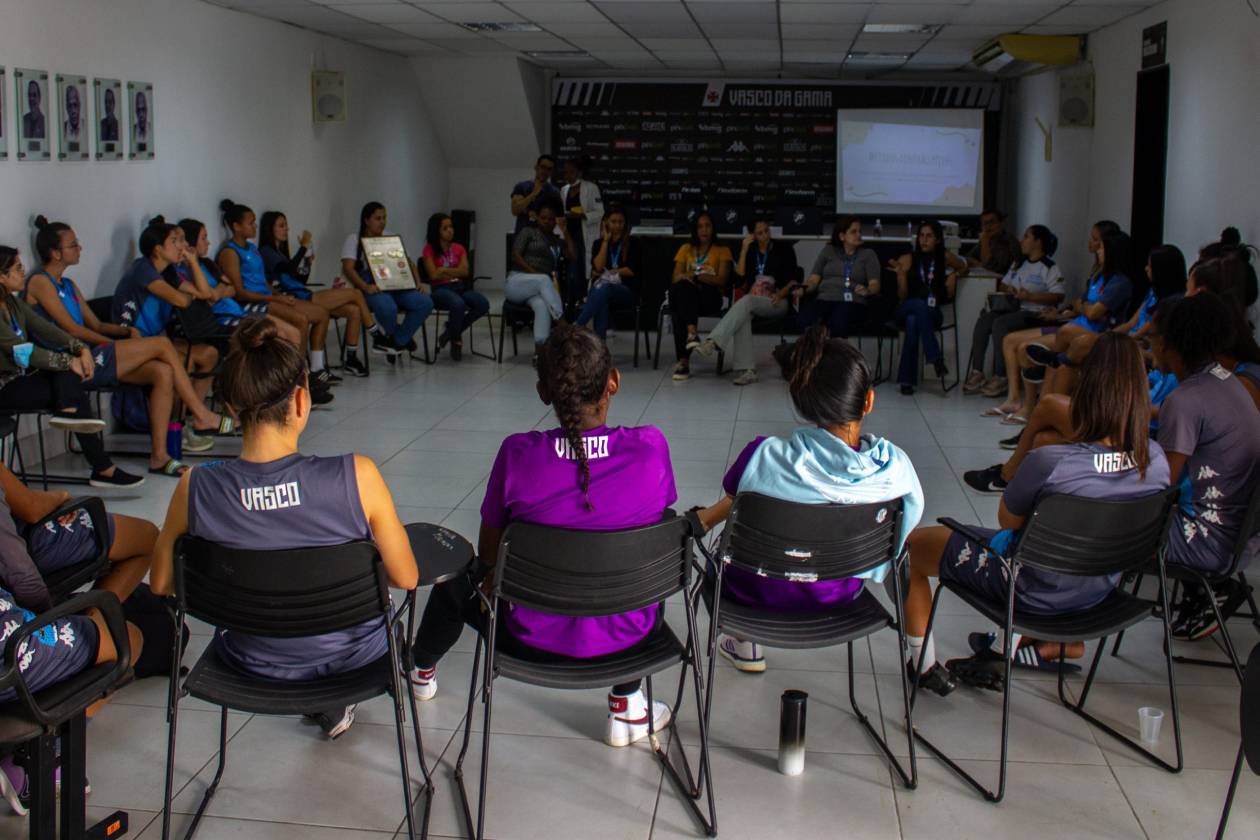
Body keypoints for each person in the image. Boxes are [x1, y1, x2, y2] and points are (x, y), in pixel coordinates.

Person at [150, 318, 418, 740]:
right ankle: (329, 698)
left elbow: (162, 582)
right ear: (300, 402)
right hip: (353, 661)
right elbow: (407, 576)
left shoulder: (194, 486)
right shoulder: (357, 475)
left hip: (249, 660)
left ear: (232, 408)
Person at [410, 324, 675, 748]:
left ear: (543, 392)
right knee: (629, 565)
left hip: (526, 638)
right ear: (614, 382)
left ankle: (420, 671)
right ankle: (627, 702)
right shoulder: (650, 448)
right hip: (629, 638)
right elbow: (657, 521)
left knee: (456, 579)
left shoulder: (517, 454)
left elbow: (490, 553)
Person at [906, 332, 1170, 685]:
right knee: (1037, 552)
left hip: (1034, 593)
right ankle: (1000, 653)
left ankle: (923, 669)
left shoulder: (1050, 461)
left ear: (1083, 388)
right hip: (1099, 592)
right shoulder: (1157, 461)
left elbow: (1008, 521)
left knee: (913, 549)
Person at [694, 326, 932, 684]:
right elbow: (900, 541)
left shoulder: (763, 454)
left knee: (729, 541)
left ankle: (746, 644)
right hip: (838, 593)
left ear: (802, 401)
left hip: (755, 593)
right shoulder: (893, 470)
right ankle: (926, 665)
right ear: (867, 402)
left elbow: (734, 501)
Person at [25, 217, 234, 477]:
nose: (80, 248)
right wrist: (114, 343)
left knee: (162, 372)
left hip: (94, 352)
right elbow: (72, 330)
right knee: (161, 344)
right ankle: (201, 415)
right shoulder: (39, 282)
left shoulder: (68, 285)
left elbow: (97, 324)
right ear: (55, 253)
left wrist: (124, 332)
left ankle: (160, 457)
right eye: (73, 245)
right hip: (75, 362)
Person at [1150, 293, 1260, 640]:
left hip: (1207, 543)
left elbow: (1159, 482)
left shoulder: (1185, 401)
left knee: (1089, 520)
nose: (1148, 344)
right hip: (1242, 538)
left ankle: (1053, 629)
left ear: (1169, 344)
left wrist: (1104, 461)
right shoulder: (1229, 382)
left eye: (1151, 336)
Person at [0, 246, 144, 488]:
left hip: (20, 377)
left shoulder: (13, 304)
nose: (23, 272)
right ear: (1, 276)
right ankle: (99, 462)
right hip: (5, 387)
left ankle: (68, 411)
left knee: (68, 371)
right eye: (17, 268)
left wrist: (79, 348)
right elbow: (20, 349)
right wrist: (70, 360)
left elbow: (45, 328)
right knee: (68, 372)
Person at [988, 228, 1134, 422]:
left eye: (1102, 248)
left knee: (1027, 347)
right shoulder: (1098, 277)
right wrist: (1065, 311)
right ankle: (1019, 401)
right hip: (1071, 324)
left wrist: (1081, 306)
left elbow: (1092, 312)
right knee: (1012, 340)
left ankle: (1035, 404)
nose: (1097, 251)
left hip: (1087, 332)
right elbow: (1078, 304)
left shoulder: (1119, 283)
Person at [217, 200, 336, 401]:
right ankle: (296, 378)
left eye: (255, 222)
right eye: (250, 223)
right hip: (252, 302)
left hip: (267, 296)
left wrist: (279, 295)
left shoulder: (253, 249)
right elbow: (239, 292)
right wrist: (273, 298)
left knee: (315, 315)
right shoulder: (230, 252)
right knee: (300, 321)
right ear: (236, 226)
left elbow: (263, 281)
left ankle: (304, 374)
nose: (254, 226)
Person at [112, 217, 223, 417]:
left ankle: (191, 417)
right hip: (132, 341)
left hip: (155, 341)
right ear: (158, 250)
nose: (182, 246)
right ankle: (179, 426)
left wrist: (193, 263)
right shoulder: (142, 269)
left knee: (209, 354)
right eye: (175, 241)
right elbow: (181, 301)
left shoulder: (168, 273)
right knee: (184, 362)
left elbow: (206, 294)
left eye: (182, 240)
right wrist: (189, 296)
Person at [259, 210, 386, 378]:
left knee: (353, 311)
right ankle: (376, 335)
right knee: (355, 293)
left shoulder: (280, 252)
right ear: (269, 229)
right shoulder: (266, 251)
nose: (287, 229)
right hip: (295, 298)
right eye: (281, 226)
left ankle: (350, 359)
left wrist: (306, 262)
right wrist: (303, 247)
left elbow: (299, 278)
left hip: (301, 293)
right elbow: (288, 270)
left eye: (286, 225)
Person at [692, 218, 798, 385]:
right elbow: (739, 277)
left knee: (746, 302)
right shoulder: (751, 251)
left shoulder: (784, 249)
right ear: (753, 235)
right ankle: (748, 371)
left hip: (777, 300)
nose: (765, 235)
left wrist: (781, 294)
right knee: (744, 315)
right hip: (755, 300)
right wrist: (744, 248)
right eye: (759, 233)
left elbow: (794, 280)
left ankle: (712, 342)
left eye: (766, 231)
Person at [963, 225, 1064, 396]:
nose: (1021, 241)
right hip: (1014, 308)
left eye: (1026, 237)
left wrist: (1030, 297)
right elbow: (1004, 283)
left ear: (1038, 242)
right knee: (985, 319)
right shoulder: (1019, 263)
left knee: (1000, 324)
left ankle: (1001, 376)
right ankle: (977, 372)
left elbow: (1058, 296)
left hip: (1035, 313)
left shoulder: (1049, 267)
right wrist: (1010, 290)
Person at [339, 201, 434, 362]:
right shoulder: (354, 239)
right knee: (387, 307)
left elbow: (408, 263)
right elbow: (349, 268)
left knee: (425, 302)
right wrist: (365, 287)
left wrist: (417, 282)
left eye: (384, 218)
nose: (382, 222)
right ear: (366, 220)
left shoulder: (391, 237)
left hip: (397, 282)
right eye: (378, 218)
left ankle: (396, 342)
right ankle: (400, 339)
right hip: (371, 285)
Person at [888, 220, 968, 395]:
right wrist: (901, 276)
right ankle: (935, 357)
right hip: (906, 307)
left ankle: (907, 381)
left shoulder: (944, 257)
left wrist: (955, 275)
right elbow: (901, 296)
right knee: (916, 307)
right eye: (921, 236)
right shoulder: (908, 259)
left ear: (938, 239)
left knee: (913, 321)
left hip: (932, 313)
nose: (924, 240)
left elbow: (963, 267)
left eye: (929, 236)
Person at [794, 214, 881, 340]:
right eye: (853, 232)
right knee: (806, 319)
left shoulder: (868, 254)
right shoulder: (828, 251)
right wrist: (804, 289)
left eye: (859, 231)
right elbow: (813, 280)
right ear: (841, 236)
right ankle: (813, 356)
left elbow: (875, 285)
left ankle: (837, 358)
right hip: (825, 298)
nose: (858, 235)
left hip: (852, 301)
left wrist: (867, 291)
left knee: (838, 320)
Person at [669, 211, 732, 381]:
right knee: (682, 292)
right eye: (700, 226)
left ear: (713, 228)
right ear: (695, 230)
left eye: (707, 226)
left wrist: (695, 276)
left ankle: (683, 360)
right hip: (687, 295)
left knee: (680, 299)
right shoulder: (686, 249)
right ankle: (691, 335)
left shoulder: (722, 250)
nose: (704, 230)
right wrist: (691, 277)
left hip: (709, 297)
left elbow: (721, 280)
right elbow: (675, 277)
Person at [420, 212, 490, 362]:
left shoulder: (459, 248)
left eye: (451, 226)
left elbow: (465, 271)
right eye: (445, 228)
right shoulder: (429, 249)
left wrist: (444, 270)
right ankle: (456, 340)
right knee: (458, 304)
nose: (450, 230)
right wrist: (453, 271)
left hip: (460, 287)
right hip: (440, 290)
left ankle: (450, 332)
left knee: (482, 304)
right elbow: (433, 275)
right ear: (436, 230)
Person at [505, 198, 571, 350]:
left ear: (555, 221)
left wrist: (565, 230)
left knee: (542, 305)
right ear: (537, 218)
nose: (547, 222)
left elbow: (572, 256)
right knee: (543, 279)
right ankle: (562, 323)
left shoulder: (556, 240)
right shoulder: (528, 232)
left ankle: (540, 350)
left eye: (551, 219)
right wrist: (535, 274)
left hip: (538, 291)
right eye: (543, 218)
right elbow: (515, 255)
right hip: (516, 282)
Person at [573, 206, 639, 341]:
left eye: (621, 222)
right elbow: (598, 266)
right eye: (613, 222)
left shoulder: (633, 243)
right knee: (602, 299)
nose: (618, 225)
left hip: (626, 291)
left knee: (605, 288)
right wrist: (606, 241)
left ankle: (577, 326)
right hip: (602, 292)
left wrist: (612, 272)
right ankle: (600, 348)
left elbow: (631, 271)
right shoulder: (598, 243)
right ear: (606, 223)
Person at [559, 157, 604, 310]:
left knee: (583, 271)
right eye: (565, 173)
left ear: (578, 172)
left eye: (571, 172)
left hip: (585, 234)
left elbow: (600, 212)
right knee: (570, 271)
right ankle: (570, 303)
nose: (567, 176)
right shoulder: (563, 190)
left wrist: (582, 215)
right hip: (568, 235)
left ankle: (584, 302)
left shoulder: (591, 188)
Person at [510, 154, 561, 234]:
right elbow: (515, 210)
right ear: (536, 167)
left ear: (552, 172)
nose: (545, 171)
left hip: (545, 238)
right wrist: (533, 194)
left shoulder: (554, 192)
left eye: (549, 169)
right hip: (522, 236)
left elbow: (557, 217)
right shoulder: (522, 186)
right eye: (543, 167)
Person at [965, 209, 1019, 275]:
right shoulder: (989, 238)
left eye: (992, 222)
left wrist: (985, 241)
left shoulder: (1009, 240)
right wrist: (981, 264)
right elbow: (968, 258)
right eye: (985, 223)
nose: (988, 226)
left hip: (1003, 281)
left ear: (1001, 223)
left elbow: (992, 268)